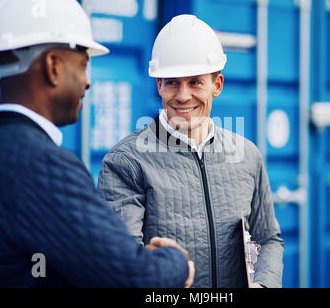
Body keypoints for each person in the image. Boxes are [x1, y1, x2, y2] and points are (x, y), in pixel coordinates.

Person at [0, 0, 194, 288]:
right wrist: (174, 262)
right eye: (83, 64)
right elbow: (134, 278)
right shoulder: (43, 166)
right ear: (53, 67)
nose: (87, 82)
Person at [98, 14, 284, 288]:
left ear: (216, 85)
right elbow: (119, 264)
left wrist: (264, 284)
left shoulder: (247, 156)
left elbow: (268, 239)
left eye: (195, 82)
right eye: (172, 82)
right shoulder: (126, 162)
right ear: (159, 85)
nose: (183, 95)